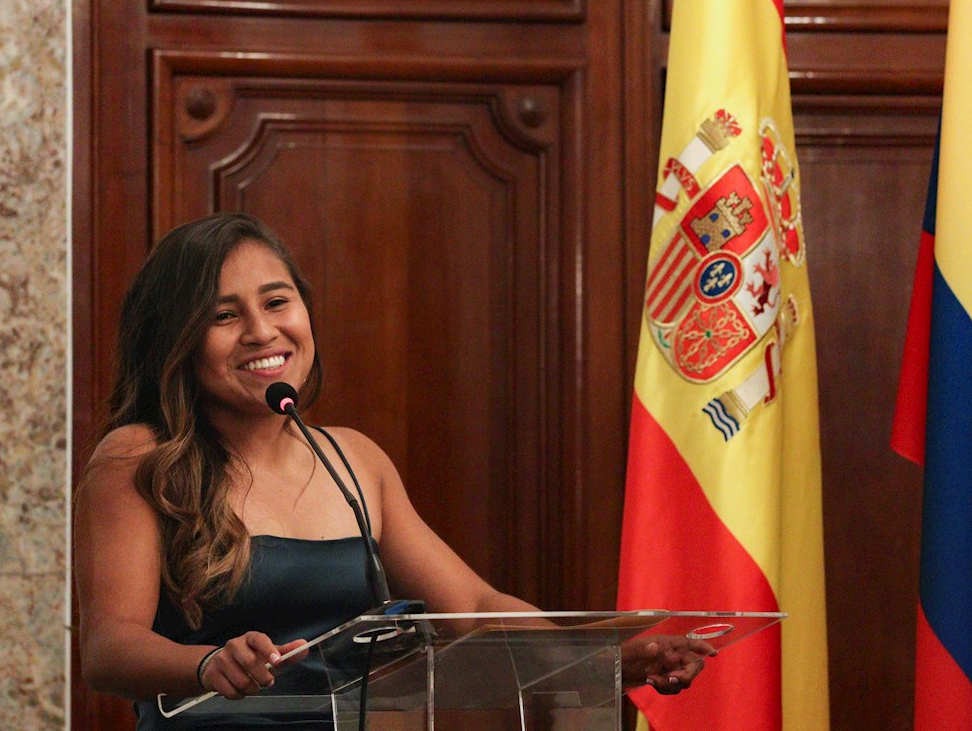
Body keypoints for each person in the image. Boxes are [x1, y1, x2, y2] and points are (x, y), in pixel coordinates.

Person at [74, 213, 710, 729]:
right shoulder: (141, 460)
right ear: (175, 339)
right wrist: (207, 664)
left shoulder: (354, 459)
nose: (262, 331)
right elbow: (108, 648)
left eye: (277, 301)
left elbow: (476, 606)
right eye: (223, 315)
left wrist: (597, 662)